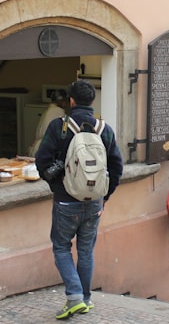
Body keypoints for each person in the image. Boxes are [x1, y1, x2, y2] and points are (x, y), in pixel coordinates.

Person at [35, 79, 123, 320]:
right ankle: (85, 299)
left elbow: (42, 162)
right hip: (94, 201)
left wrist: (58, 185)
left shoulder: (59, 127)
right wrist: (105, 197)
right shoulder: (105, 129)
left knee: (61, 247)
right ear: (92, 101)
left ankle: (74, 297)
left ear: (71, 101)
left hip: (66, 201)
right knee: (86, 250)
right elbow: (117, 168)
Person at [28, 89, 69, 156]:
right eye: (65, 101)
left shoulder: (47, 111)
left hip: (37, 148)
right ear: (61, 101)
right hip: (46, 149)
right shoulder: (60, 113)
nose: (67, 103)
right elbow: (63, 134)